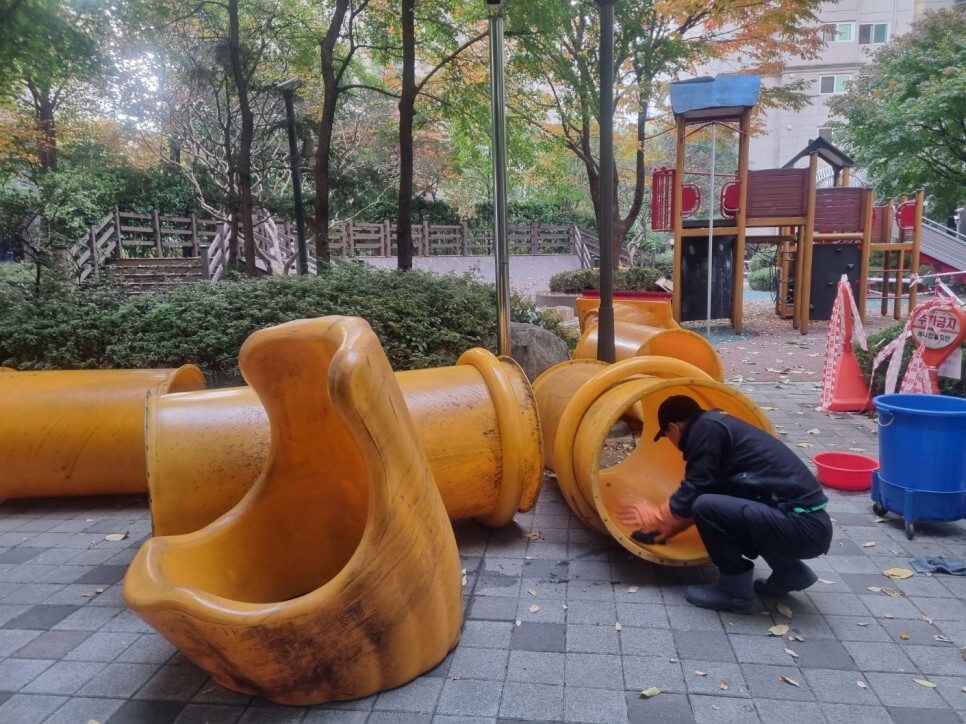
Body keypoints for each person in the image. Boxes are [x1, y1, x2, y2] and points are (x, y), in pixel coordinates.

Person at [617, 395, 832, 615]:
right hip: (808, 525)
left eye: (666, 436)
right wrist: (670, 528)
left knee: (706, 505)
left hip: (802, 525)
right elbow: (712, 491)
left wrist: (657, 514)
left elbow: (698, 487)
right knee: (719, 503)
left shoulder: (704, 429)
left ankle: (735, 593)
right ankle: (790, 572)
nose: (671, 443)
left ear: (673, 427)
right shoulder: (716, 425)